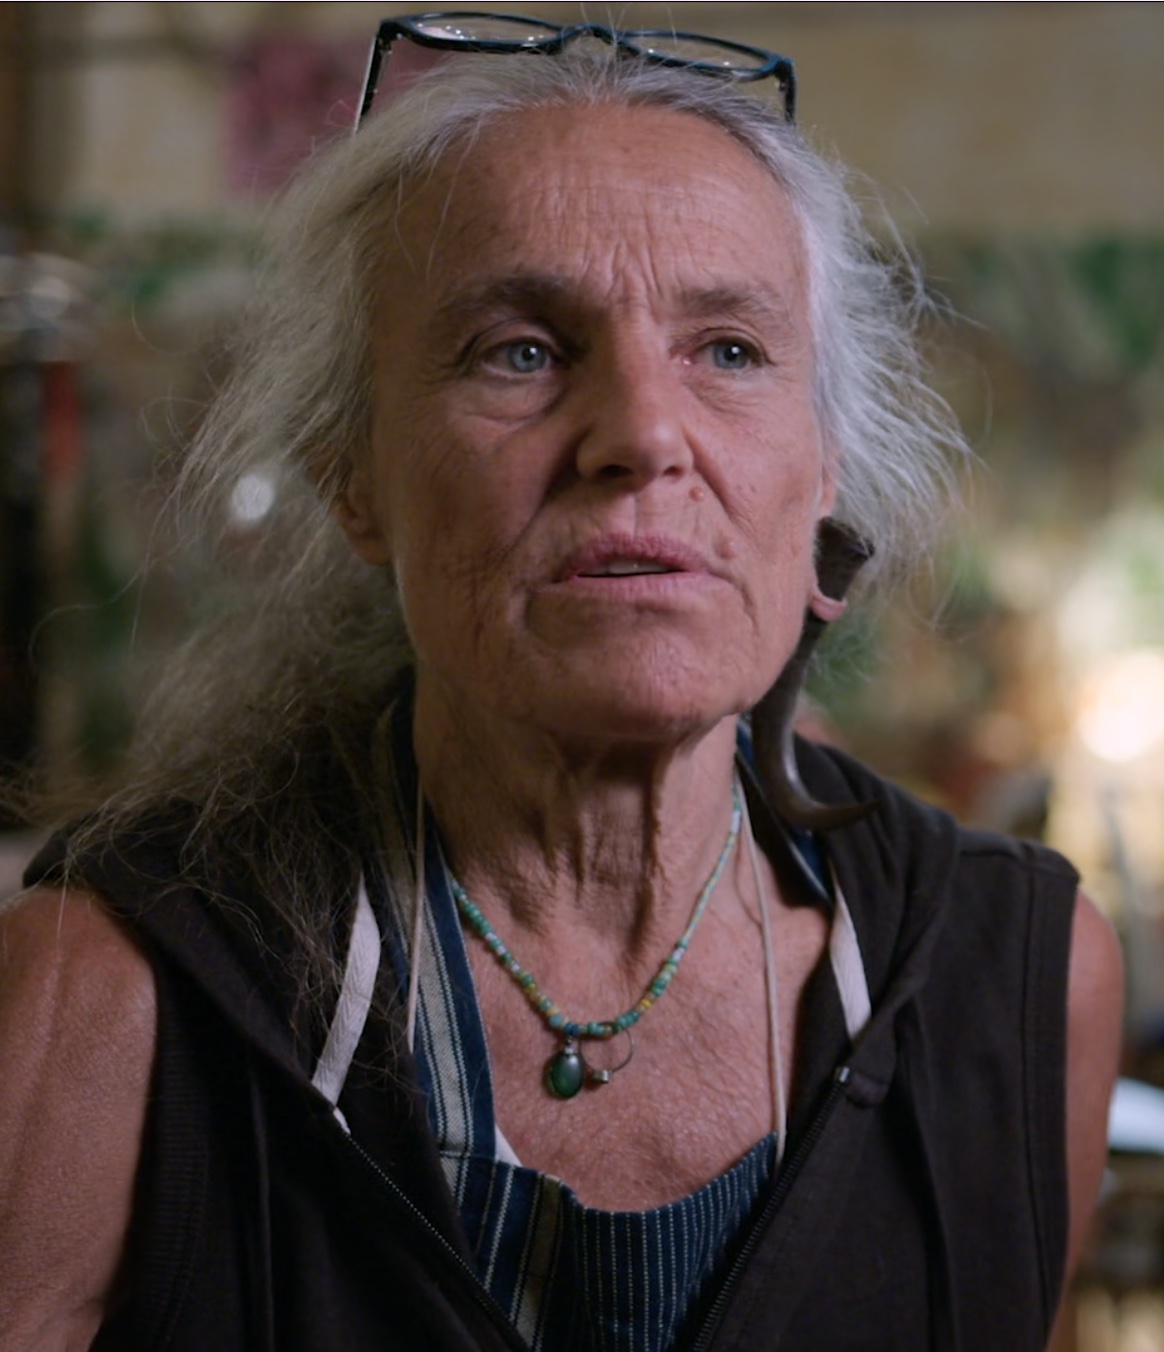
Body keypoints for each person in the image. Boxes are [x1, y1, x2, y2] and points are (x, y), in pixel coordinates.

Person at [1, 14, 1123, 1351]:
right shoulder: (110, 999)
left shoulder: (1019, 987)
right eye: (520, 351)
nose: (643, 434)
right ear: (353, 477)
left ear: (823, 467)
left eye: (730, 351)